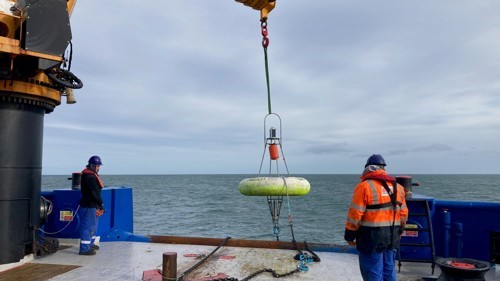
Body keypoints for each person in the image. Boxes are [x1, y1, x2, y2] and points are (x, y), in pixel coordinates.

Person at [344, 154, 408, 281]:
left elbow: (355, 214)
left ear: (368, 168)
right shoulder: (399, 188)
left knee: (372, 271)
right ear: (383, 168)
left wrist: (350, 235)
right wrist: (400, 230)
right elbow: (404, 213)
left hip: (371, 238)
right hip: (392, 236)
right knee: (389, 270)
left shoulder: (364, 186)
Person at [79, 155, 105, 255]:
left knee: (93, 225)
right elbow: (93, 192)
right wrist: (101, 204)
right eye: (98, 165)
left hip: (93, 204)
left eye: (99, 165)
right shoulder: (89, 177)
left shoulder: (91, 175)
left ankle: (90, 244)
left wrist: (98, 205)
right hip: (88, 204)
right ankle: (84, 249)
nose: (99, 167)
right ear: (93, 165)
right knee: (87, 226)